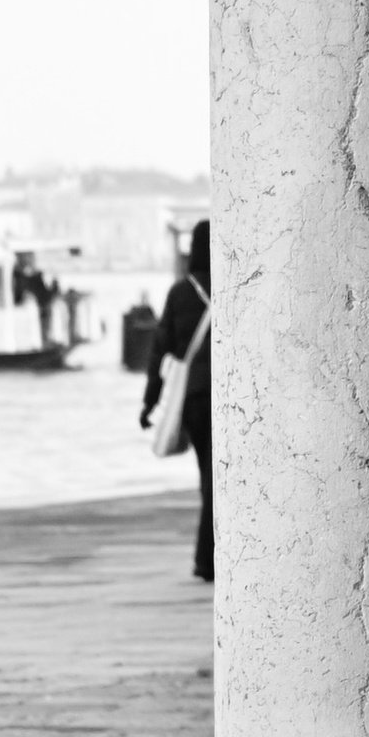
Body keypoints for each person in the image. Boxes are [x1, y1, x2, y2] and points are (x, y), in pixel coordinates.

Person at [140, 219, 215, 584]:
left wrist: (150, 402)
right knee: (220, 480)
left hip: (194, 400)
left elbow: (159, 351)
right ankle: (211, 558)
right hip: (229, 402)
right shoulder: (234, 288)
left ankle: (206, 560)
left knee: (208, 478)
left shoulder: (180, 292)